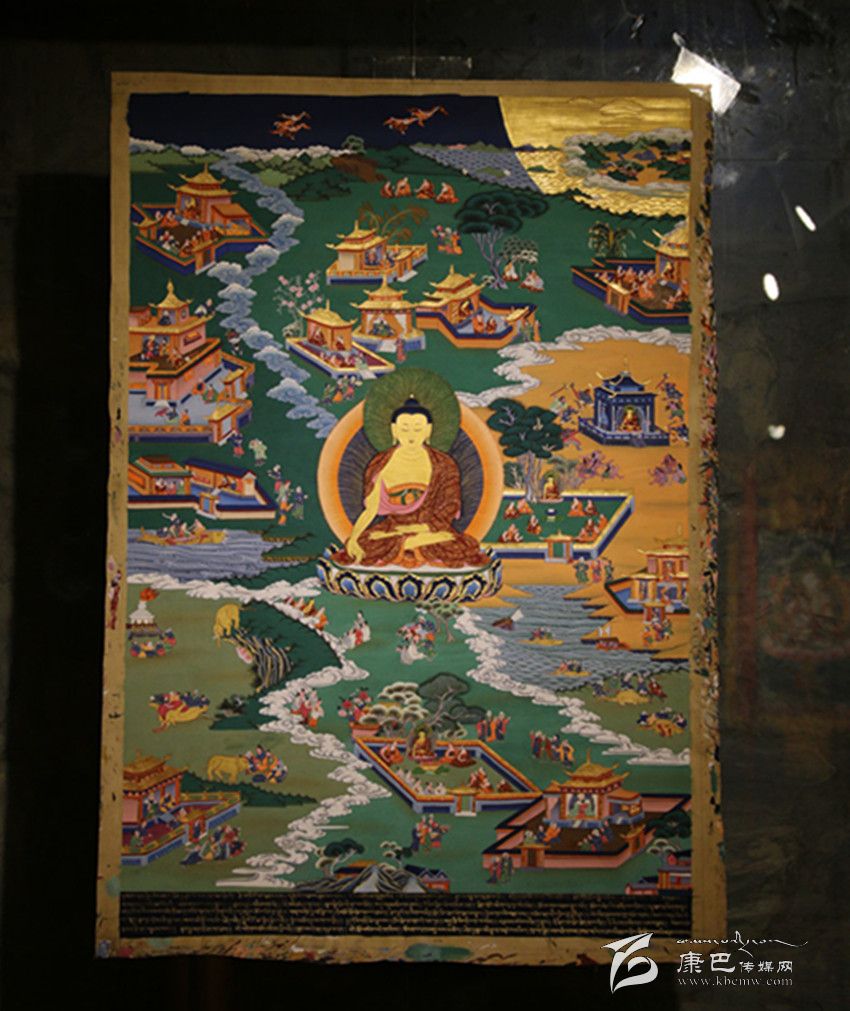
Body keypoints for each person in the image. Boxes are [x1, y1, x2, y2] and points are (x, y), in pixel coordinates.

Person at [334, 397, 489, 569]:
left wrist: (419, 529)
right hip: (394, 529)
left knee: (459, 545)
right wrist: (354, 537)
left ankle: (412, 542)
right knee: (363, 544)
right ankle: (413, 543)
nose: (411, 435)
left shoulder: (444, 464)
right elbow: (370, 510)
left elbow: (449, 506)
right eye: (405, 428)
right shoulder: (380, 464)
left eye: (417, 429)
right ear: (394, 430)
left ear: (428, 430)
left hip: (430, 529)